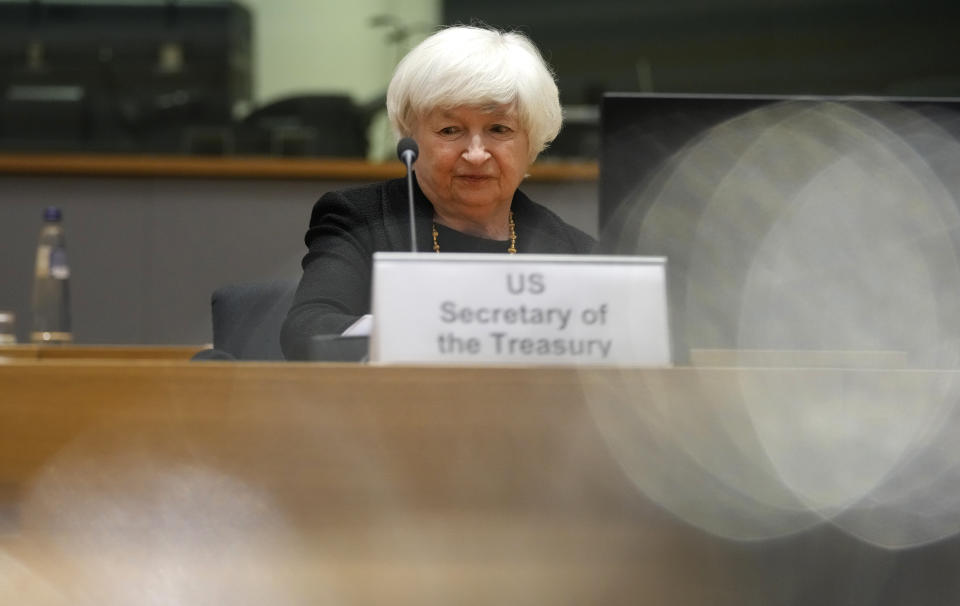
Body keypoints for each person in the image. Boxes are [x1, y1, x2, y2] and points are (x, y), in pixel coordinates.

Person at [280, 25, 595, 359]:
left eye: (499, 129)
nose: (476, 153)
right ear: (410, 137)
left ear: (531, 141)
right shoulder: (362, 220)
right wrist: (422, 332)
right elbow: (309, 329)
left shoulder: (574, 252)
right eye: (450, 130)